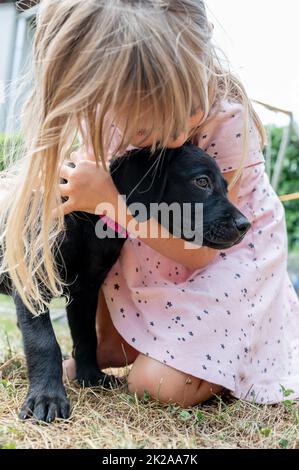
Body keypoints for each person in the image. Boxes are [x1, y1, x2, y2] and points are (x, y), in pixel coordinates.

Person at [1, 0, 298, 408]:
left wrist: (110, 202)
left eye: (185, 109)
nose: (173, 133)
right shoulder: (111, 116)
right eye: (145, 126)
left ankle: (226, 359)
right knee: (101, 260)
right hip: (149, 256)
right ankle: (116, 347)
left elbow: (201, 254)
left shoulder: (227, 121)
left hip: (222, 260)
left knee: (155, 386)